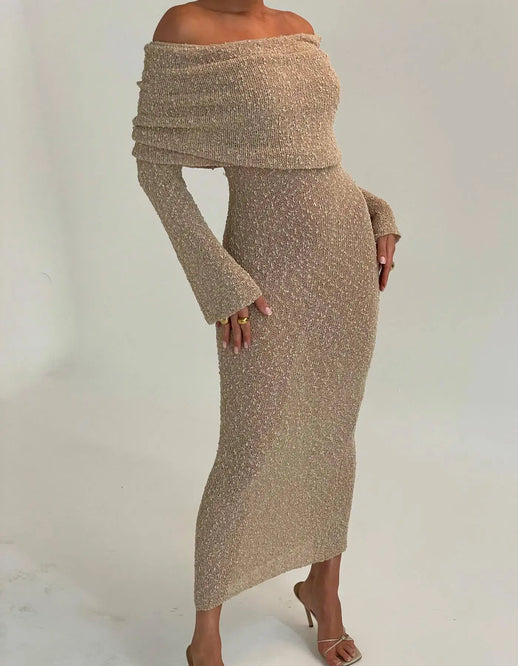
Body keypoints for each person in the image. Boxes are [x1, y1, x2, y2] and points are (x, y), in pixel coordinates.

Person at [131, 2, 401, 665]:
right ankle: (205, 633)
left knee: (330, 436)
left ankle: (323, 590)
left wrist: (375, 208)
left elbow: (312, 155)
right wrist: (219, 279)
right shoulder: (185, 26)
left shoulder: (297, 27)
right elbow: (154, 168)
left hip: (343, 258)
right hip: (263, 271)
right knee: (249, 449)